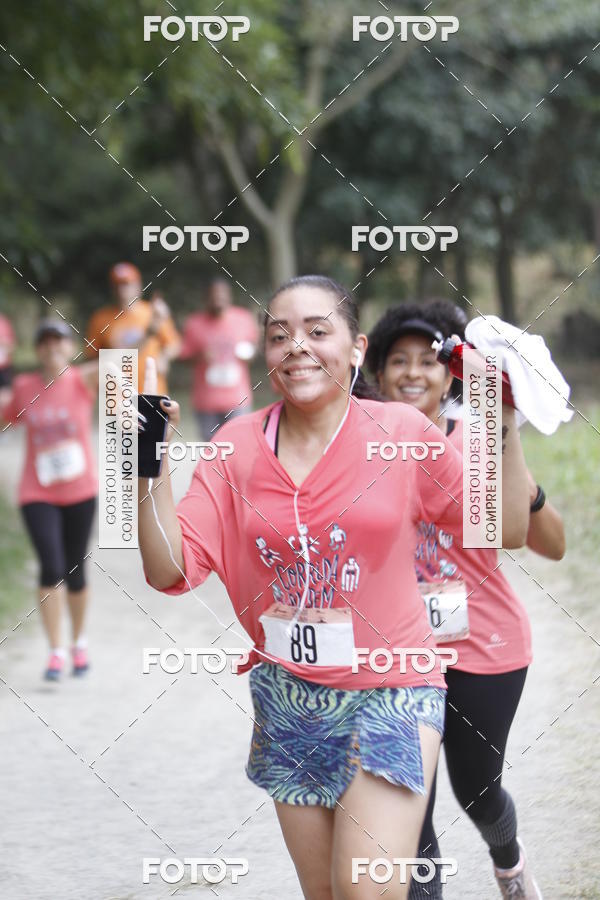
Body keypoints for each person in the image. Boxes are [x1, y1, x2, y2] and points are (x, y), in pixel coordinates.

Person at [137, 276, 530, 900]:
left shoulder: (401, 431)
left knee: (363, 891)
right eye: (279, 334)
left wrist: (497, 417)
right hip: (287, 699)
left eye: (318, 331)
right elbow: (170, 569)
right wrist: (146, 469)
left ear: (354, 348)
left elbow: (503, 527)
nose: (297, 345)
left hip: (394, 688)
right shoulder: (235, 446)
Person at [367, 300, 565, 900]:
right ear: (377, 374)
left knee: (477, 790)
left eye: (427, 360)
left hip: (485, 646)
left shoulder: (478, 441)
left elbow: (551, 545)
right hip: (396, 652)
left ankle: (508, 859)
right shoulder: (361, 447)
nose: (412, 373)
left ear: (452, 372)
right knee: (409, 803)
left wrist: (506, 440)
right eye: (397, 360)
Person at [0, 320, 99, 681]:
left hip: (80, 491)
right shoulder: (25, 387)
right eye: (44, 342)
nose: (51, 347)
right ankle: (56, 650)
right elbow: (4, 419)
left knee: (75, 571)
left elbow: (118, 362)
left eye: (58, 341)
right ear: (37, 349)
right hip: (37, 491)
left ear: (68, 346)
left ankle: (79, 642)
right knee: (50, 566)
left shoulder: (83, 379)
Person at [179, 277, 259, 439]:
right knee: (211, 452)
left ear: (229, 296)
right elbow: (183, 357)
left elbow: (254, 349)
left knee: (239, 448)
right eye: (213, 295)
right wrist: (200, 356)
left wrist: (248, 353)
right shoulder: (194, 323)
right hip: (206, 403)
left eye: (222, 294)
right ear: (206, 298)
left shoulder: (243, 318)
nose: (218, 299)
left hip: (238, 401)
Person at [86, 263, 180, 394]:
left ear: (138, 286)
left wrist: (164, 358)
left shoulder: (153, 312)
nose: (121, 290)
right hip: (116, 396)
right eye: (117, 285)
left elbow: (174, 344)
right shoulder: (100, 319)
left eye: (126, 284)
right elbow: (92, 358)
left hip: (152, 391)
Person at [0, 310, 15, 402]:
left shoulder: (4, 322)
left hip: (4, 368)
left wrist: (4, 344)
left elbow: (11, 346)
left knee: (5, 399)